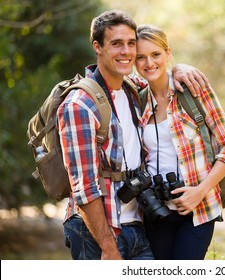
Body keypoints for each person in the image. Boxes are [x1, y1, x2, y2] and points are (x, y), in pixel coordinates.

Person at [57, 10, 210, 260]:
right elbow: (84, 188)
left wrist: (179, 68)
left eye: (131, 43)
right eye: (116, 43)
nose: (126, 52)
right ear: (98, 47)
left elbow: (158, 76)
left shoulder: (131, 90)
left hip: (137, 225)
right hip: (96, 232)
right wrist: (108, 247)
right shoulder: (79, 105)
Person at [135, 24, 225, 259]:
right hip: (156, 211)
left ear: (168, 53)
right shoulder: (137, 97)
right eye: (141, 57)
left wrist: (200, 191)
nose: (149, 63)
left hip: (199, 209)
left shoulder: (193, 89)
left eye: (155, 54)